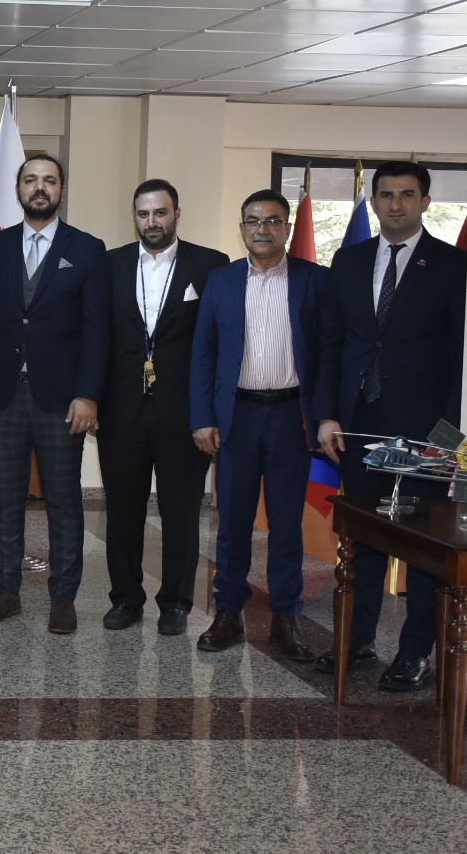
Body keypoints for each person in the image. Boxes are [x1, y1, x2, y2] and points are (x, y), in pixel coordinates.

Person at [315, 161, 467, 691]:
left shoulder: (453, 265)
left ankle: (414, 653)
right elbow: (331, 344)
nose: (395, 204)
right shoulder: (349, 260)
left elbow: (463, 356)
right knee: (364, 538)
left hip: (426, 433)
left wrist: (449, 439)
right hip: (360, 422)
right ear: (373, 201)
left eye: (407, 194)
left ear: (426, 201)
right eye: (385, 194)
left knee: (424, 545)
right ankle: (357, 641)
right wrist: (327, 415)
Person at [0, 155, 107, 633]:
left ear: (61, 189)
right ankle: (5, 590)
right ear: (19, 189)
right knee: (5, 498)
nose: (39, 187)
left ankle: (62, 597)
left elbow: (96, 330)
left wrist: (88, 395)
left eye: (49, 180)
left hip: (62, 401)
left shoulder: (87, 249)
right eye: (31, 180)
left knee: (63, 500)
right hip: (2, 396)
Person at [190, 189, 327, 662]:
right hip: (237, 417)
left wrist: (324, 416)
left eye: (272, 221)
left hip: (291, 417)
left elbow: (328, 355)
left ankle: (286, 616)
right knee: (232, 521)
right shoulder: (221, 281)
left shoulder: (315, 280)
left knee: (286, 524)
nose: (262, 229)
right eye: (253, 221)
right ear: (242, 229)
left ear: (286, 228)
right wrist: (202, 418)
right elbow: (203, 353)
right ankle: (228, 611)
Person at [97, 180, 228, 636]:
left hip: (184, 412)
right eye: (144, 214)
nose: (152, 222)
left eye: (160, 212)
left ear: (176, 214)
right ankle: (125, 598)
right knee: (123, 511)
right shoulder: (110, 264)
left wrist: (209, 413)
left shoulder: (210, 265)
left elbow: (216, 342)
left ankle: (175, 603)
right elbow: (98, 337)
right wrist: (92, 398)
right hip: (121, 410)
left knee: (181, 513)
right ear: (134, 217)